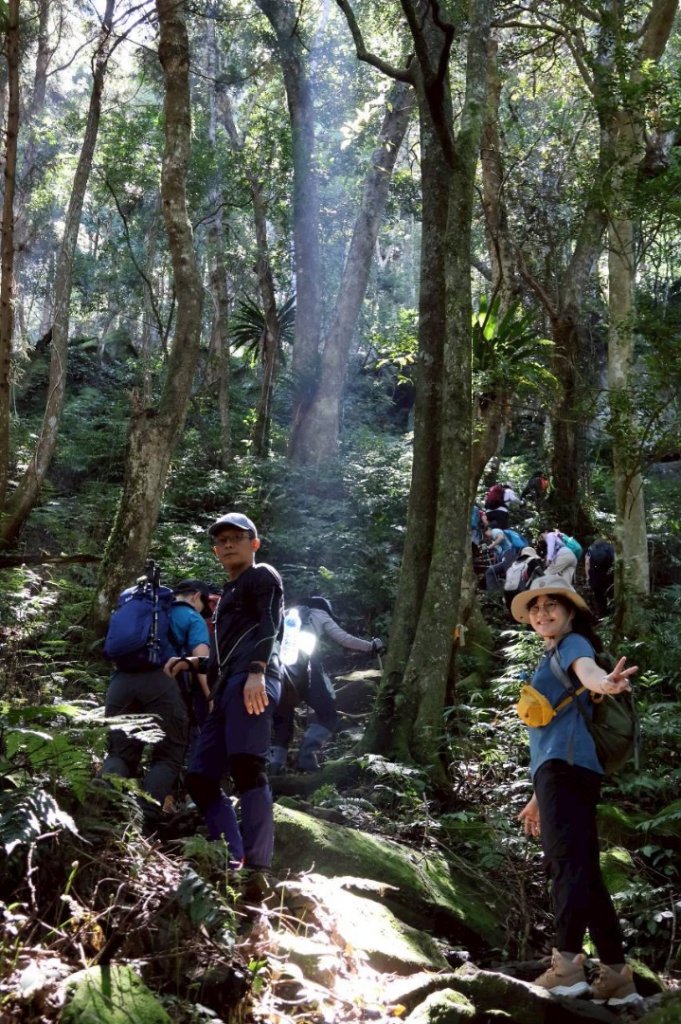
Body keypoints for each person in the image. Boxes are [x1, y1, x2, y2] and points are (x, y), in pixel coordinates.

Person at [511, 575, 639, 1006]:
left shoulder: (573, 646)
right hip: (566, 769)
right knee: (585, 871)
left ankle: (566, 967)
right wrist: (535, 798)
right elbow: (554, 732)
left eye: (552, 605)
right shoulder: (552, 655)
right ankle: (617, 975)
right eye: (535, 608)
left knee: (566, 866)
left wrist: (605, 683)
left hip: (565, 771)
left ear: (570, 613)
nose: (542, 613)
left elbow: (590, 673)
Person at [166, 512, 283, 877]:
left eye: (237, 537)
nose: (229, 543)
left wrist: (257, 671)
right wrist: (191, 663)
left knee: (248, 767)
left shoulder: (262, 576)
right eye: (222, 540)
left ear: (254, 544)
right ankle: (232, 855)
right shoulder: (228, 592)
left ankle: (257, 866)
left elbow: (270, 624)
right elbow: (221, 656)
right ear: (216, 550)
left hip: (253, 681)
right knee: (200, 776)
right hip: (228, 686)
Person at [100, 577, 210, 830]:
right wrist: (210, 697)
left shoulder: (150, 610)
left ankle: (100, 811)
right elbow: (202, 662)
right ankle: (143, 819)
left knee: (120, 754)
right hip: (162, 682)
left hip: (120, 682)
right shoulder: (192, 618)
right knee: (169, 756)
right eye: (204, 603)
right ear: (195, 596)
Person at [270, 597, 386, 773]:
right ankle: (306, 757)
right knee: (328, 714)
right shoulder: (319, 614)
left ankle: (274, 767)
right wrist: (371, 646)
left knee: (283, 718)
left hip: (278, 670)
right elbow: (344, 638)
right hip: (307, 670)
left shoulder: (286, 613)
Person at [502, 546, 543, 612]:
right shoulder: (532, 560)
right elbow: (543, 576)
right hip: (521, 591)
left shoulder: (514, 563)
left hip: (507, 593)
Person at [585, 540, 615, 618]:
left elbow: (587, 563)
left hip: (595, 575)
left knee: (599, 596)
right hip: (609, 575)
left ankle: (602, 614)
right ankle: (613, 612)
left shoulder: (591, 549)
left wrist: (588, 577)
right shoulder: (610, 548)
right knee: (611, 592)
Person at [483, 526, 515, 591]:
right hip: (505, 557)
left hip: (509, 554)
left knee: (509, 575)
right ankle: (494, 593)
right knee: (490, 571)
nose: (487, 537)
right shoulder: (493, 538)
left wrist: (490, 547)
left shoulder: (494, 531)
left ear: (488, 530)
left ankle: (512, 591)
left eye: (486, 534)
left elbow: (501, 537)